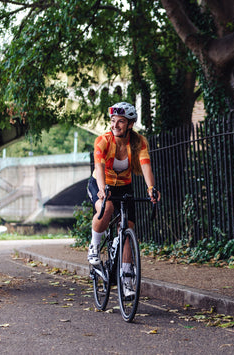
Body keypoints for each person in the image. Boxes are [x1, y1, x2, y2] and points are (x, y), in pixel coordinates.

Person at [87, 102, 160, 297]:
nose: (115, 125)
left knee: (127, 227)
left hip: (124, 185)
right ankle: (94, 247)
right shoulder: (103, 140)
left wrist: (151, 188)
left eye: (121, 122)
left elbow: (145, 166)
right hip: (100, 183)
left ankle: (127, 278)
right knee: (107, 207)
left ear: (130, 124)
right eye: (113, 121)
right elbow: (99, 166)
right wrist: (102, 190)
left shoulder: (139, 143)